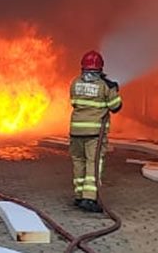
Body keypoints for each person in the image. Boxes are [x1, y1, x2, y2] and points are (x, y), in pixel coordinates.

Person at [68, 50, 122, 212]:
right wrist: (114, 90)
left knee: (78, 161)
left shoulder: (75, 82)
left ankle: (79, 196)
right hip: (94, 134)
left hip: (76, 131)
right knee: (93, 162)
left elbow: (74, 102)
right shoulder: (105, 86)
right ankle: (89, 198)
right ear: (100, 68)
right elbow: (116, 106)